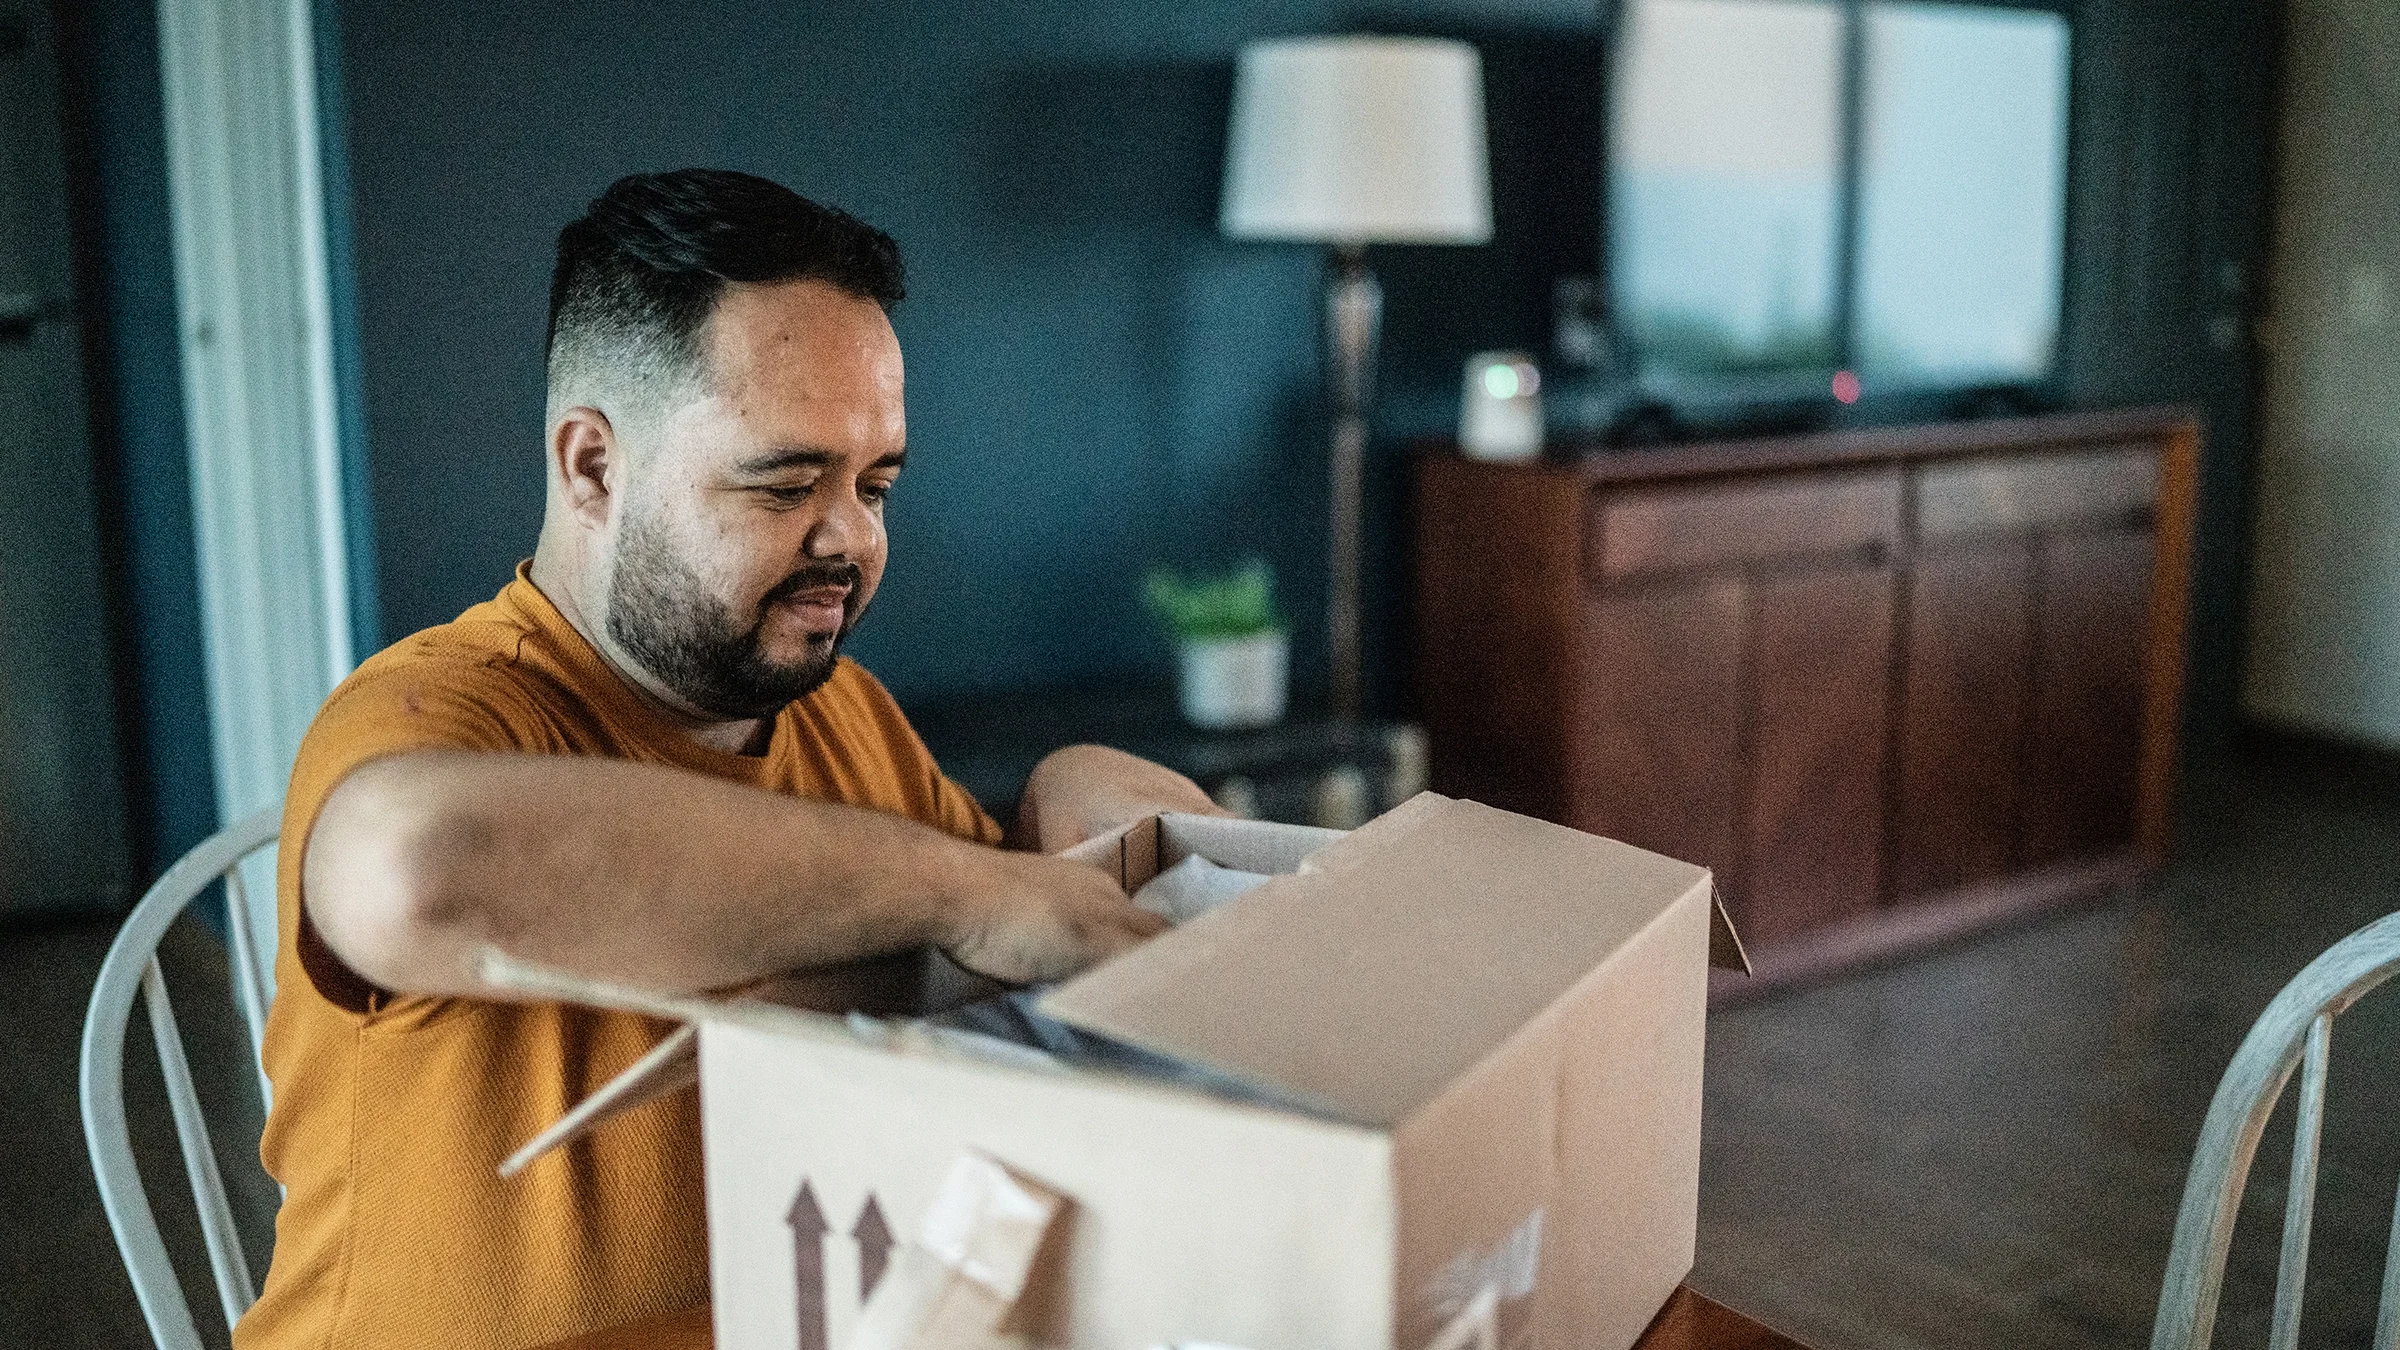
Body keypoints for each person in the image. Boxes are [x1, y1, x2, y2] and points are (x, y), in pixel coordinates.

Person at [234, 169, 1217, 1350]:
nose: (851, 537)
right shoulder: (438, 714)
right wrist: (970, 885)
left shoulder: (846, 714)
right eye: (788, 482)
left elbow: (1021, 933)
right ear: (594, 466)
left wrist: (1078, 799)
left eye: (876, 484)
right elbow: (411, 870)